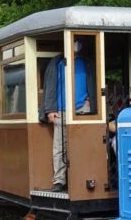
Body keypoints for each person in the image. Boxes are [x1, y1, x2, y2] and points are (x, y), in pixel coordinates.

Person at [39, 42, 94, 191]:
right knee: (59, 147)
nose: (75, 46)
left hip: (83, 109)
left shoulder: (87, 62)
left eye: (77, 43)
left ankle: (81, 177)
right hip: (61, 110)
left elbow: (94, 82)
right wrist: (50, 109)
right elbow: (49, 85)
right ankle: (59, 181)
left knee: (83, 146)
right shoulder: (56, 63)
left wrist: (91, 98)